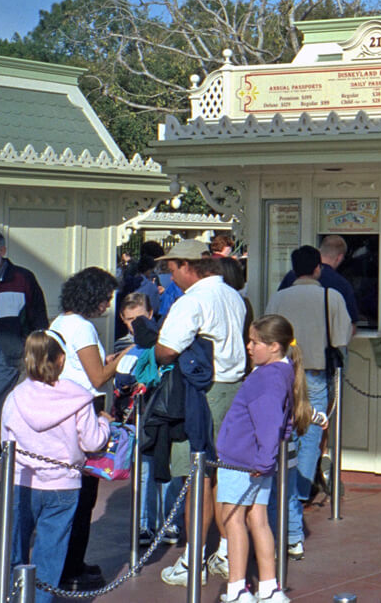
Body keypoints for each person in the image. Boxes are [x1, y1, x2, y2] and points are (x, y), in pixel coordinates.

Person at [154, 239, 247, 586]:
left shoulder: (192, 301)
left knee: (197, 477)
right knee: (223, 473)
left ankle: (194, 558)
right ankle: (225, 550)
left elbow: (166, 350)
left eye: (172, 267)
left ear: (187, 265)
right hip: (233, 387)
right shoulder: (233, 295)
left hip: (202, 394)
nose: (170, 275)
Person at [1, 331, 110, 603]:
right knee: (49, 556)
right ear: (61, 359)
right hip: (64, 483)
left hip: (21, 481)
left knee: (12, 552)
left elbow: (5, 442)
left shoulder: (15, 397)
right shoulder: (79, 396)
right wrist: (105, 423)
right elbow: (94, 441)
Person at [264, 246, 351, 560]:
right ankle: (299, 491)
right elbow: (341, 339)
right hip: (315, 372)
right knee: (312, 432)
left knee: (284, 431)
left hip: (283, 373)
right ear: (318, 269)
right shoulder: (332, 297)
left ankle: (286, 492)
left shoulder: (279, 297)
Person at [216, 314, 310, 603]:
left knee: (232, 519)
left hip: (243, 459)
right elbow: (282, 422)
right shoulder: (282, 373)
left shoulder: (266, 378)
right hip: (256, 460)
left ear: (274, 347)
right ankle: (268, 586)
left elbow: (269, 423)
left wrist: (262, 462)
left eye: (255, 342)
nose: (249, 346)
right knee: (257, 518)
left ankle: (237, 587)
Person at [49, 266, 122, 590]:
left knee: (71, 491)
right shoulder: (82, 327)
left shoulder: (60, 322)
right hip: (85, 409)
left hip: (62, 408)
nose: (107, 305)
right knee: (84, 494)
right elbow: (98, 377)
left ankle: (69, 562)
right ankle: (71, 567)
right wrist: (125, 357)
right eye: (105, 298)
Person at [117, 293, 181, 547]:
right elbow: (120, 381)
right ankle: (144, 522)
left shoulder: (163, 342)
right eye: (130, 319)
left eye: (140, 318)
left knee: (167, 469)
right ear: (123, 319)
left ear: (151, 314)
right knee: (144, 471)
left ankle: (169, 521)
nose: (135, 324)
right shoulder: (123, 347)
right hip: (139, 417)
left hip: (162, 413)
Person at [0, 229, 50, 448]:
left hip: (9, 349)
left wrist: (33, 347)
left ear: (2, 251)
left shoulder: (22, 278)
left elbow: (38, 317)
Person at [277, 235, 360, 330]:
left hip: (290, 340)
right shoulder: (342, 284)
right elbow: (350, 326)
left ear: (319, 251)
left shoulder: (290, 277)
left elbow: (275, 320)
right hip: (323, 343)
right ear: (339, 257)